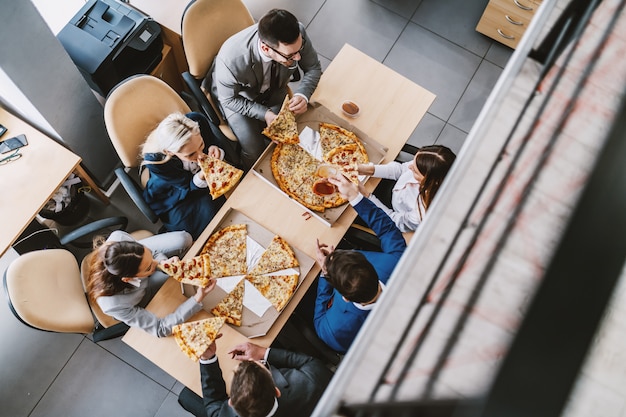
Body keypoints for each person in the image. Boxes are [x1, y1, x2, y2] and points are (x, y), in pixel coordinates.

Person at [208, 8, 322, 169]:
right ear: (266, 48)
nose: (298, 58)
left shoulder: (298, 33)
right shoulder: (231, 60)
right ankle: (248, 174)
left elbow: (313, 68)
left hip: (275, 89)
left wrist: (302, 95)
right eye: (290, 56)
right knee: (255, 151)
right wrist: (265, 114)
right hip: (239, 98)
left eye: (299, 49)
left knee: (293, 134)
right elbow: (228, 99)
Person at [313, 174, 407, 354]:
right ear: (369, 265)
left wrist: (325, 272)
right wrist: (354, 197)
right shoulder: (397, 263)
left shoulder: (334, 330)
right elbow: (387, 230)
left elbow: (319, 322)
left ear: (345, 297)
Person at [87, 230, 214, 338]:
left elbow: (152, 255)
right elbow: (160, 329)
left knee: (183, 239)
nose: (155, 264)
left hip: (139, 268)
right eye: (148, 268)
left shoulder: (120, 238)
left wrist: (164, 263)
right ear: (127, 279)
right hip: (140, 298)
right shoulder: (114, 305)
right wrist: (197, 299)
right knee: (180, 285)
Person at [177, 338, 334, 417]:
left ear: (231, 403)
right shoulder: (313, 382)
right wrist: (264, 353)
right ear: (276, 391)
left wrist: (208, 359)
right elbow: (310, 362)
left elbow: (213, 405)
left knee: (186, 396)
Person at [141, 112, 230, 239]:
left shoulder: (197, 120)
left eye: (201, 146)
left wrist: (215, 149)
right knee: (210, 218)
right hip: (173, 192)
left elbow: (213, 142)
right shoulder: (155, 160)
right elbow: (186, 185)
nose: (200, 156)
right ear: (169, 152)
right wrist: (201, 176)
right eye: (191, 154)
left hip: (199, 178)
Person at [357, 145, 456, 233]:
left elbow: (396, 222)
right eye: (413, 162)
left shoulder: (422, 213)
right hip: (395, 190)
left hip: (393, 213)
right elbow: (401, 169)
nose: (410, 166)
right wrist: (369, 170)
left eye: (415, 171)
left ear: (430, 181)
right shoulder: (424, 168)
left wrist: (367, 197)